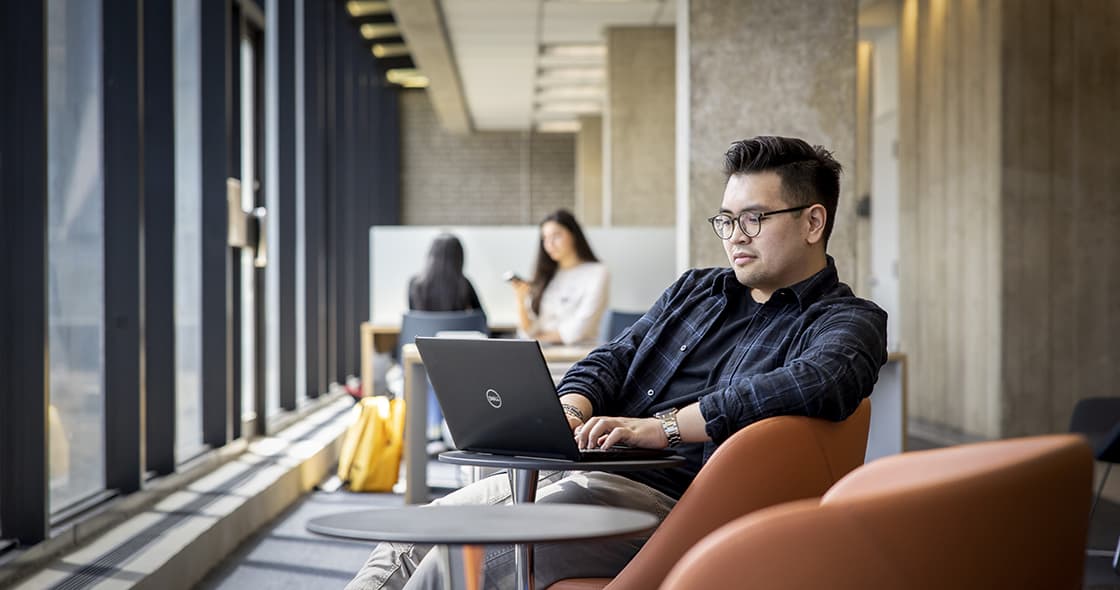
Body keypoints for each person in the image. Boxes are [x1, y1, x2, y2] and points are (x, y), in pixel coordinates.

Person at [345, 136, 888, 590]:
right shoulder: (698, 290)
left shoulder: (846, 321)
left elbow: (820, 382)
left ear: (813, 221)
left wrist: (663, 430)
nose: (735, 237)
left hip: (672, 503)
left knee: (451, 563)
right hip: (585, 471)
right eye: (726, 220)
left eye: (754, 219)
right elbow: (614, 356)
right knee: (410, 536)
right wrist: (571, 407)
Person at [509, 209, 609, 346]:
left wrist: (536, 339)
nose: (550, 244)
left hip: (578, 354)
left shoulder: (597, 272)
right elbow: (528, 330)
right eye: (545, 238)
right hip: (542, 351)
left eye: (556, 236)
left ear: (573, 235)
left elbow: (578, 331)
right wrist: (520, 299)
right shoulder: (546, 275)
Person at [408, 233, 484, 314]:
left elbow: (414, 319)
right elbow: (481, 318)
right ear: (459, 257)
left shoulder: (415, 284)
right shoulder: (464, 284)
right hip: (457, 327)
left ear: (431, 255)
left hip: (423, 327)